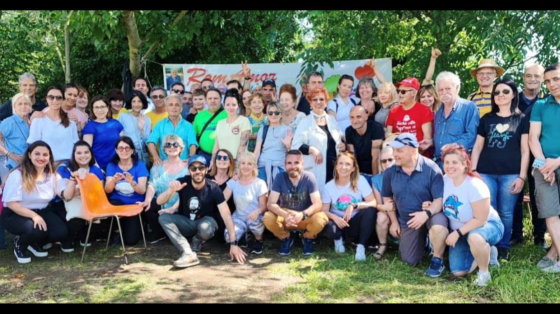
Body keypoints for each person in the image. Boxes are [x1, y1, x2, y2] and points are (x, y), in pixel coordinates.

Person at [470, 78, 529, 261]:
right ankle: (490, 245)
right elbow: (478, 147)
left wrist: (522, 177)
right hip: (485, 172)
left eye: (505, 92)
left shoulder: (521, 119)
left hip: (511, 174)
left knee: (506, 212)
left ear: (513, 95)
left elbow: (525, 150)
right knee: (489, 210)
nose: (500, 95)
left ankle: (503, 246)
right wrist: (473, 170)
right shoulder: (487, 118)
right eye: (497, 92)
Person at [157, 155, 247, 268]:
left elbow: (226, 215)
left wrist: (233, 244)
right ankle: (187, 251)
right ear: (189, 170)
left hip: (205, 223)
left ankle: (198, 240)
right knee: (163, 218)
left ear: (206, 170)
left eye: (201, 168)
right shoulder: (182, 182)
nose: (197, 171)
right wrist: (171, 191)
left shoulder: (213, 188)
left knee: (206, 227)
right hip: (186, 221)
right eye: (193, 168)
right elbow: (159, 201)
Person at [382, 133, 449, 277]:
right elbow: (387, 198)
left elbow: (440, 200)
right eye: (394, 150)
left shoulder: (432, 169)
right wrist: (393, 222)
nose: (395, 155)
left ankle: (437, 259)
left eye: (399, 151)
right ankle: (425, 242)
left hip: (430, 216)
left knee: (438, 224)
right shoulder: (390, 172)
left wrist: (425, 214)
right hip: (409, 222)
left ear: (414, 150)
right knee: (409, 260)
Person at [439, 144, 503, 286]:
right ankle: (485, 252)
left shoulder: (475, 185)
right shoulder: (445, 180)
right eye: (447, 162)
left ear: (464, 164)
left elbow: (481, 219)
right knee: (459, 272)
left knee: (475, 237)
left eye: (454, 162)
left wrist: (457, 233)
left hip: (487, 225)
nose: (450, 166)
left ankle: (484, 273)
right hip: (461, 232)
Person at [0, 141, 69, 263]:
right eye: (37, 154)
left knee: (60, 233)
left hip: (42, 211)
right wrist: (34, 216)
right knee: (36, 229)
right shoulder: (17, 174)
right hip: (15, 213)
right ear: (30, 155)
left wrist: (74, 182)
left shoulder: (52, 175)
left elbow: (64, 193)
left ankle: (33, 241)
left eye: (45, 155)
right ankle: (20, 245)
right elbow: (11, 203)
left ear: (49, 157)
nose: (41, 158)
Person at [264, 150, 328, 256]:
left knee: (321, 218)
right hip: (286, 216)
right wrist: (285, 215)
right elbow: (270, 203)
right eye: (289, 163)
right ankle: (286, 238)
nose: (293, 166)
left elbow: (318, 204)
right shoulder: (280, 177)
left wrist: (302, 214)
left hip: (304, 216)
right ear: (285, 165)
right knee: (267, 217)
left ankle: (307, 238)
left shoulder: (309, 177)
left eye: (296, 162)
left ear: (303, 164)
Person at [529, 63, 560, 273]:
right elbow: (533, 138)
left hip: (555, 162)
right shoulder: (540, 105)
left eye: (556, 79)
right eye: (547, 81)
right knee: (550, 213)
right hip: (543, 167)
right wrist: (543, 165)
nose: (551, 84)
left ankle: (552, 254)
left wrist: (556, 162)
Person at [321, 152, 378, 261]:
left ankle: (361, 247)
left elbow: (373, 202)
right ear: (336, 166)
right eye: (340, 163)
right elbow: (324, 210)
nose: (343, 167)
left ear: (353, 168)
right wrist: (335, 218)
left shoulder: (360, 180)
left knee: (370, 211)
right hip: (337, 223)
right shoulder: (328, 187)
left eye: (347, 164)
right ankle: (338, 239)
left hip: (354, 221)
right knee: (328, 225)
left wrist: (354, 205)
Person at [139, 135, 189, 244]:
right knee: (148, 205)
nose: (172, 147)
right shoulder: (157, 166)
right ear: (164, 149)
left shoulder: (188, 168)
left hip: (180, 204)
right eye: (168, 145)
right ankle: (159, 232)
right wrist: (147, 200)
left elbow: (189, 191)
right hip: (161, 202)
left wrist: (174, 207)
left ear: (181, 148)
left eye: (175, 144)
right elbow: (152, 185)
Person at [293, 87, 345, 192]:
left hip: (334, 169)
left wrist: (343, 144)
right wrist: (313, 150)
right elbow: (295, 146)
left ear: (326, 102)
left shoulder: (332, 120)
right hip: (315, 169)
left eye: (321, 99)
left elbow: (340, 138)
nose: (318, 102)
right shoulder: (305, 122)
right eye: (315, 100)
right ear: (310, 103)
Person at [104, 136, 149, 246]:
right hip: (117, 203)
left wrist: (132, 182)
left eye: (127, 148)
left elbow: (142, 191)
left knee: (131, 241)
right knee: (111, 204)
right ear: (116, 150)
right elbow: (107, 190)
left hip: (134, 204)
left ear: (132, 150)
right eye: (121, 148)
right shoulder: (112, 165)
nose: (124, 151)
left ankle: (129, 228)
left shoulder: (140, 166)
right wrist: (113, 181)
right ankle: (116, 231)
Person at [223, 152, 268, 255]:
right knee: (228, 237)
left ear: (254, 167)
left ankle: (258, 240)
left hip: (254, 216)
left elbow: (264, 206)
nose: (246, 166)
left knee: (254, 222)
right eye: (243, 163)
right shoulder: (234, 181)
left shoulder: (259, 183)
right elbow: (222, 199)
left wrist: (258, 211)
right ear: (239, 165)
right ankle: (244, 235)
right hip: (239, 217)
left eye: (249, 164)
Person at [27, 86, 79, 162]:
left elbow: (76, 145)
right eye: (51, 97)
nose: (55, 100)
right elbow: (33, 146)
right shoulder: (38, 120)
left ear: (63, 100)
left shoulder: (71, 121)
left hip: (67, 165)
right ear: (46, 99)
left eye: (58, 98)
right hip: (46, 165)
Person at [253, 101, 292, 188]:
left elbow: (291, 153)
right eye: (270, 113)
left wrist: (288, 145)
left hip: (280, 168)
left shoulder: (287, 130)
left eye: (277, 112)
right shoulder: (262, 130)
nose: (273, 115)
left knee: (279, 194)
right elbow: (257, 151)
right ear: (267, 115)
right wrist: (253, 167)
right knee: (262, 194)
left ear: (281, 114)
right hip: (262, 167)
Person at [83, 96, 125, 170]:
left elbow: (123, 146)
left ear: (108, 108)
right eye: (96, 107)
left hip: (117, 166)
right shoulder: (90, 127)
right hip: (98, 167)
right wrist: (97, 168)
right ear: (92, 109)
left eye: (102, 106)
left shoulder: (116, 124)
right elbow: (86, 150)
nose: (99, 110)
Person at [371, 145, 396, 260]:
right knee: (381, 217)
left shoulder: (404, 175)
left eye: (390, 160)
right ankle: (382, 245)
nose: (387, 163)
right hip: (387, 211)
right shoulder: (376, 180)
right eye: (383, 161)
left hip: (403, 213)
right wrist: (385, 207)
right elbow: (377, 205)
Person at [346, 106, 384, 177]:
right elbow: (352, 157)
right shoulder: (349, 131)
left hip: (376, 171)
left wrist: (374, 179)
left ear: (366, 117)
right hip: (359, 172)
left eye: (358, 117)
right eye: (352, 117)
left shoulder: (376, 128)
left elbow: (375, 158)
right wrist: (355, 177)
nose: (355, 121)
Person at [119, 90, 152, 166]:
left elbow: (148, 141)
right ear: (130, 102)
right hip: (126, 151)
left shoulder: (147, 119)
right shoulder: (123, 116)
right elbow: (119, 136)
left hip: (141, 154)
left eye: (139, 101)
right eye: (134, 101)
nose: (136, 104)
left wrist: (142, 129)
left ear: (143, 103)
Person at [0, 93, 31, 170]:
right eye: (19, 104)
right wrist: (9, 154)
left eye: (26, 103)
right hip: (15, 165)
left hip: (32, 165)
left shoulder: (33, 120)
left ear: (30, 106)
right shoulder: (8, 122)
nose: (23, 106)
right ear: (14, 107)